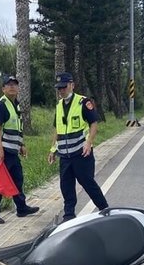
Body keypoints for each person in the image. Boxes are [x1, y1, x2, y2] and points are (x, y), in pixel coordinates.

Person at [47, 71, 109, 222]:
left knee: (87, 182)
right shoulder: (59, 105)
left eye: (64, 87)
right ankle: (69, 216)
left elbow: (93, 123)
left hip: (81, 153)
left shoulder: (83, 102)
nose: (61, 90)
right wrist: (53, 149)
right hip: (65, 155)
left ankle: (104, 208)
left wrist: (89, 142)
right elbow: (57, 129)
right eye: (59, 88)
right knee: (66, 186)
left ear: (72, 85)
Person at [0, 75, 40, 224]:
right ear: (3, 88)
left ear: (18, 88)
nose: (12, 87)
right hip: (2, 151)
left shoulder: (16, 105)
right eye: (8, 85)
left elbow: (17, 128)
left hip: (13, 151)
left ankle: (21, 208)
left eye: (14, 84)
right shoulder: (1, 104)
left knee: (17, 179)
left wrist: (21, 145)